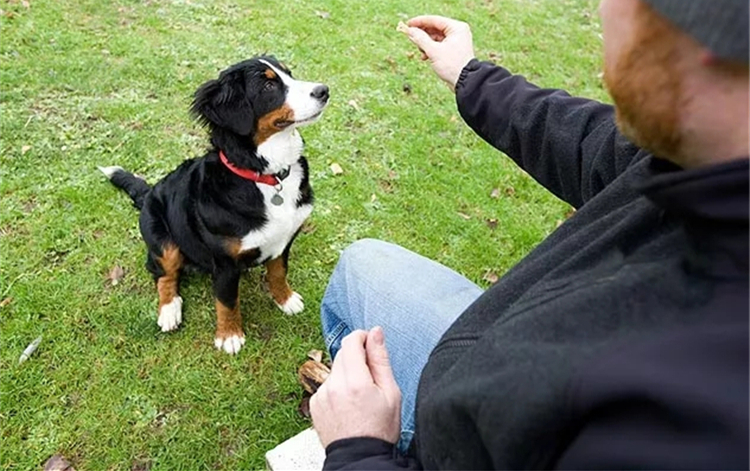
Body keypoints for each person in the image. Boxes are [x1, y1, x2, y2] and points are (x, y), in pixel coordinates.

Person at [310, 0, 749, 468]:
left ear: (696, 43)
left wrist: (358, 448)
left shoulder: (692, 422)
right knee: (363, 264)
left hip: (467, 445)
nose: (602, 9)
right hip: (489, 380)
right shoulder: (710, 163)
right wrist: (469, 75)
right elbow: (596, 145)